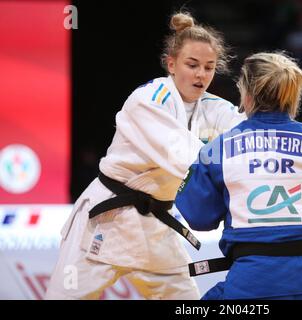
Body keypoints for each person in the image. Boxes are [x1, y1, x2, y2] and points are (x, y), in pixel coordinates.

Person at [45, 12, 245, 300]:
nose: (201, 74)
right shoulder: (149, 100)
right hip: (108, 219)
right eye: (192, 65)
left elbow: (247, 135)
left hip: (156, 225)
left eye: (209, 67)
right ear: (171, 64)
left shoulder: (214, 108)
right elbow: (184, 158)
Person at [175, 52, 302, 300]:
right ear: (293, 96)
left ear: (246, 95)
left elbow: (200, 218)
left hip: (251, 282)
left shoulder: (218, 149)